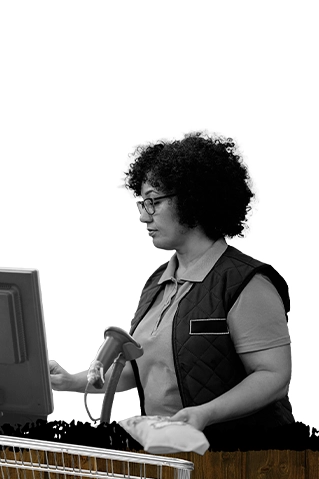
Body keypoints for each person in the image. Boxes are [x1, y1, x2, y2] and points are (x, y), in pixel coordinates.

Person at [49, 132, 293, 443]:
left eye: (153, 202)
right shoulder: (157, 284)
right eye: (142, 202)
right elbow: (138, 370)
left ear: (194, 199)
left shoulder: (247, 283)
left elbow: (273, 376)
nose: (142, 216)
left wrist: (205, 414)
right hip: (173, 458)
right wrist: (71, 380)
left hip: (243, 467)